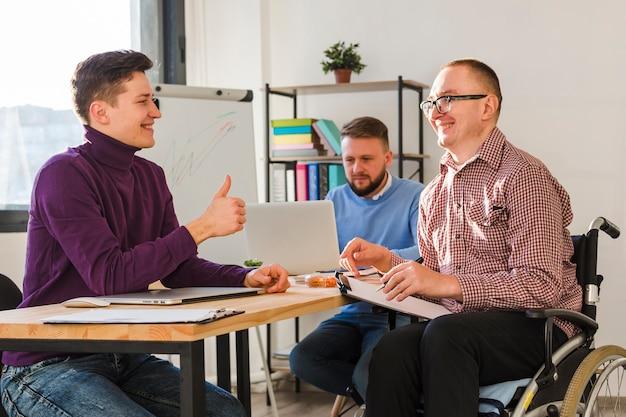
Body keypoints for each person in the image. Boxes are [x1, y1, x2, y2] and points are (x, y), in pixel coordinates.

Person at [0, 50, 290, 417]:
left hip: (123, 357)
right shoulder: (63, 174)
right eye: (143, 101)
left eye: (153, 100)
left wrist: (246, 276)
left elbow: (178, 270)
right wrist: (202, 227)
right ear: (101, 112)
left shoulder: (150, 176)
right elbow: (110, 276)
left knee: (227, 411)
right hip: (48, 365)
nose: (156, 111)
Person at [340, 59, 581, 417]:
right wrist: (385, 261)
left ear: (487, 106)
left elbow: (541, 285)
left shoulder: (523, 176)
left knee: (446, 334)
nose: (436, 111)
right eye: (432, 102)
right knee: (391, 348)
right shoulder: (435, 192)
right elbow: (433, 277)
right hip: (462, 326)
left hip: (538, 326)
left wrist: (447, 285)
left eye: (449, 98)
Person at [289, 117, 424, 402]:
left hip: (395, 313)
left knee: (372, 374)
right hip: (350, 311)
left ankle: (377, 393)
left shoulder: (416, 196)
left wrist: (382, 257)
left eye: (366, 158)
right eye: (349, 159)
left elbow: (426, 252)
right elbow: (324, 258)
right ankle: (373, 397)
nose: (357, 168)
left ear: (388, 158)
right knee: (302, 358)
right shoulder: (334, 198)